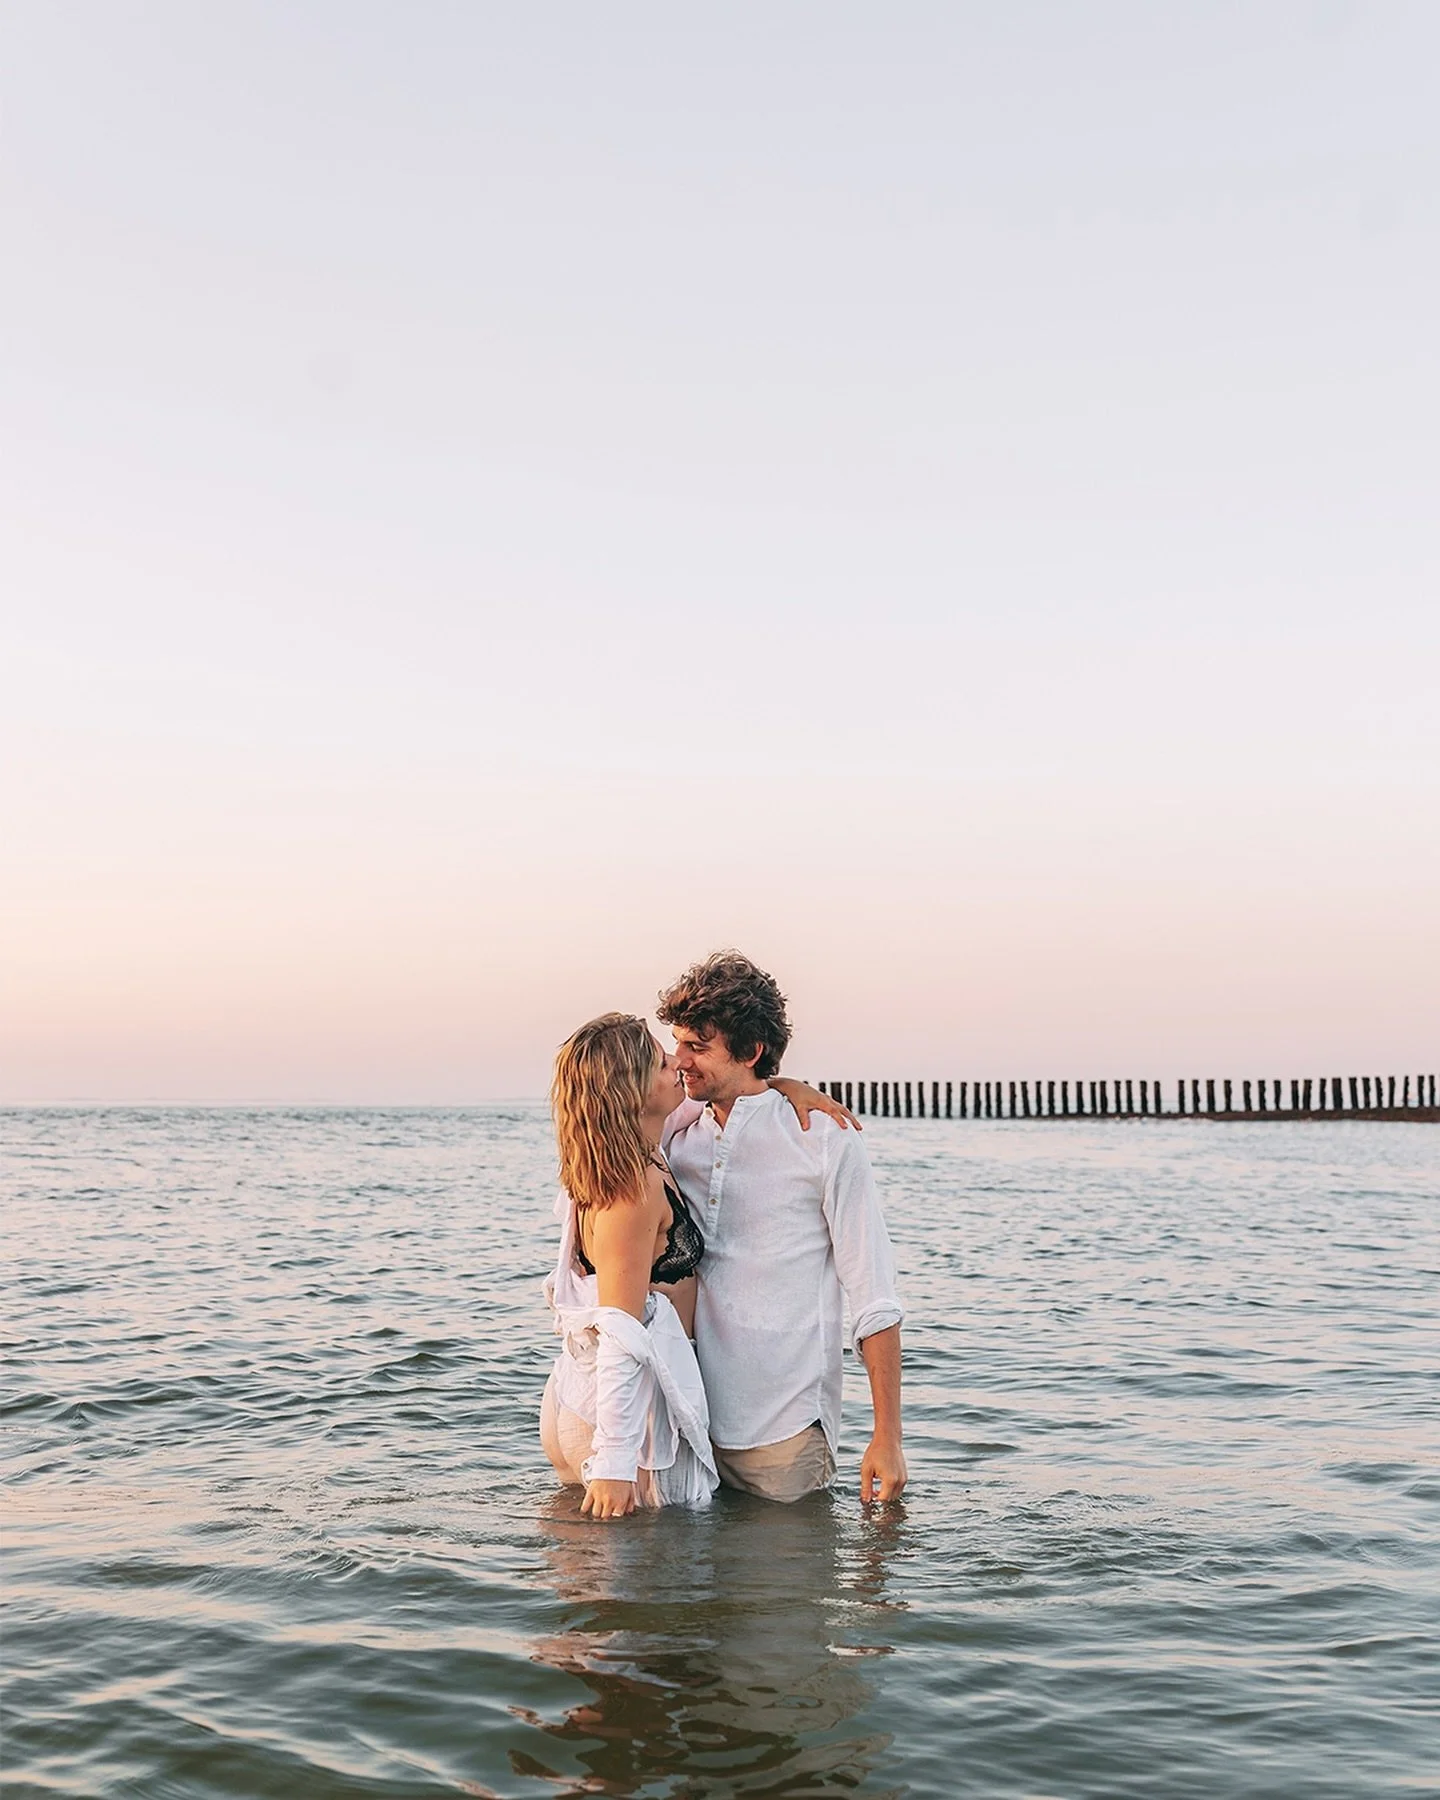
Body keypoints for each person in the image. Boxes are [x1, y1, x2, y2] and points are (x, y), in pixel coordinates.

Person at [540, 1012, 853, 1520]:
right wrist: (615, 1462)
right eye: (661, 1061)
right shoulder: (632, 1190)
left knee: (601, 1563)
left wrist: (783, 1085)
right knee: (644, 1566)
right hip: (629, 1421)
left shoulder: (641, 1151)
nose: (678, 1064)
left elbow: (729, 1091)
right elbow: (620, 1329)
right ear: (633, 1092)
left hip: (590, 1401)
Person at [658, 952, 907, 1505]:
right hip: (687, 1426)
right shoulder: (677, 1134)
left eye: (698, 1047)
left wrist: (887, 1438)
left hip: (786, 1436)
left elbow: (874, 1294)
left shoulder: (824, 1138)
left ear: (750, 1051)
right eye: (677, 1043)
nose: (679, 1060)